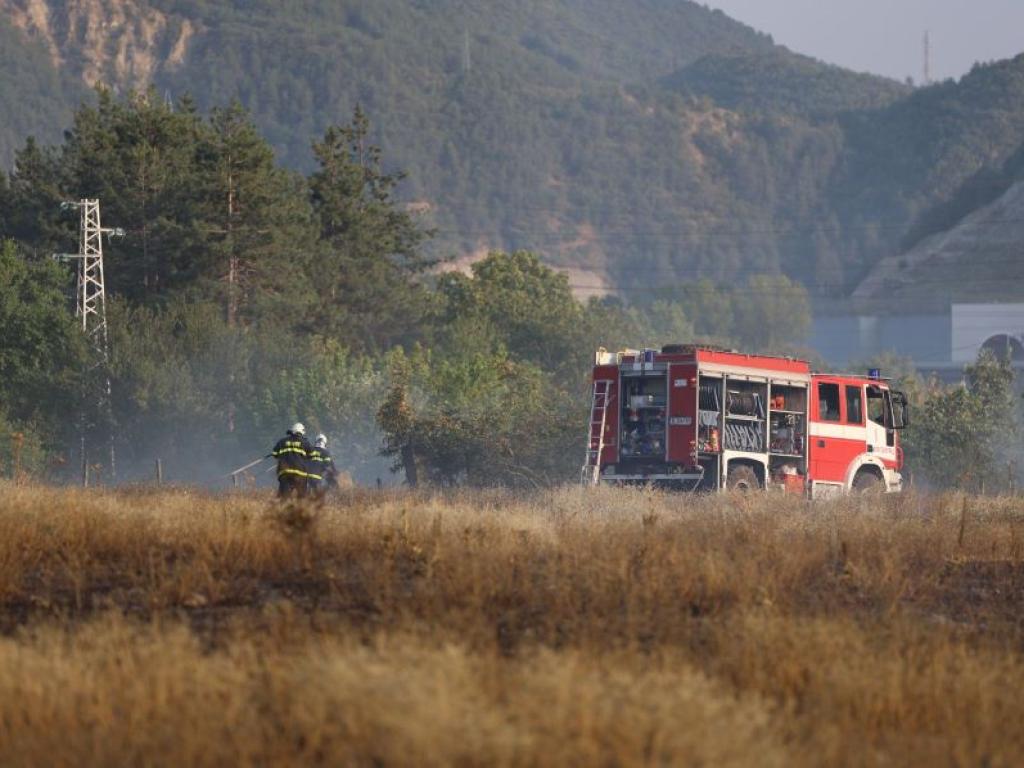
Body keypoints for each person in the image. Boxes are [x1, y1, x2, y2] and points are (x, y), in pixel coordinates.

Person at [271, 422, 311, 498]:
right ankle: (301, 504)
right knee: (302, 498)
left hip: (285, 473)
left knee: (284, 498)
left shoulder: (282, 441)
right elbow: (311, 455)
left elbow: (275, 454)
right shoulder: (305, 442)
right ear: (302, 432)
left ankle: (283, 504)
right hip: (300, 474)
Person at [306, 433, 337, 499]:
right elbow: (328, 465)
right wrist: (336, 472)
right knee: (318, 497)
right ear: (325, 443)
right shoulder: (326, 452)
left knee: (306, 496)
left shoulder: (310, 450)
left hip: (307, 477)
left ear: (316, 441)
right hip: (317, 477)